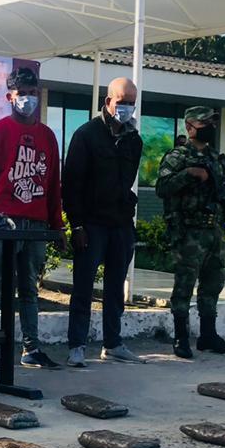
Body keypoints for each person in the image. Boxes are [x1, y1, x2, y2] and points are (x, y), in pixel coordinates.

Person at [0, 67, 62, 370]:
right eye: (21, 93)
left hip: (36, 224)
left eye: (32, 93)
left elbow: (53, 184)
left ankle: (31, 348)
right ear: (9, 97)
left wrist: (56, 225)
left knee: (30, 288)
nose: (27, 99)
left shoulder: (48, 136)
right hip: (5, 222)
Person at [62, 77, 145, 367]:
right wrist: (77, 225)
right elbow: (71, 184)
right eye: (122, 102)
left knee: (115, 288)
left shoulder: (134, 140)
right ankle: (77, 346)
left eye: (131, 103)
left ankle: (113, 344)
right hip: (91, 224)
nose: (126, 108)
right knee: (83, 287)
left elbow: (127, 181)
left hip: (120, 224)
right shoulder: (86, 135)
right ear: (108, 101)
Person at [154, 104, 225, 359]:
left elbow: (223, 193)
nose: (210, 127)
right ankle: (181, 338)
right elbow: (162, 188)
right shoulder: (178, 156)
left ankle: (208, 336)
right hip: (188, 232)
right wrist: (188, 173)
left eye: (212, 123)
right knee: (184, 286)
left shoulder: (216, 159)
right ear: (190, 126)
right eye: (205, 123)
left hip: (214, 231)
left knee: (213, 284)